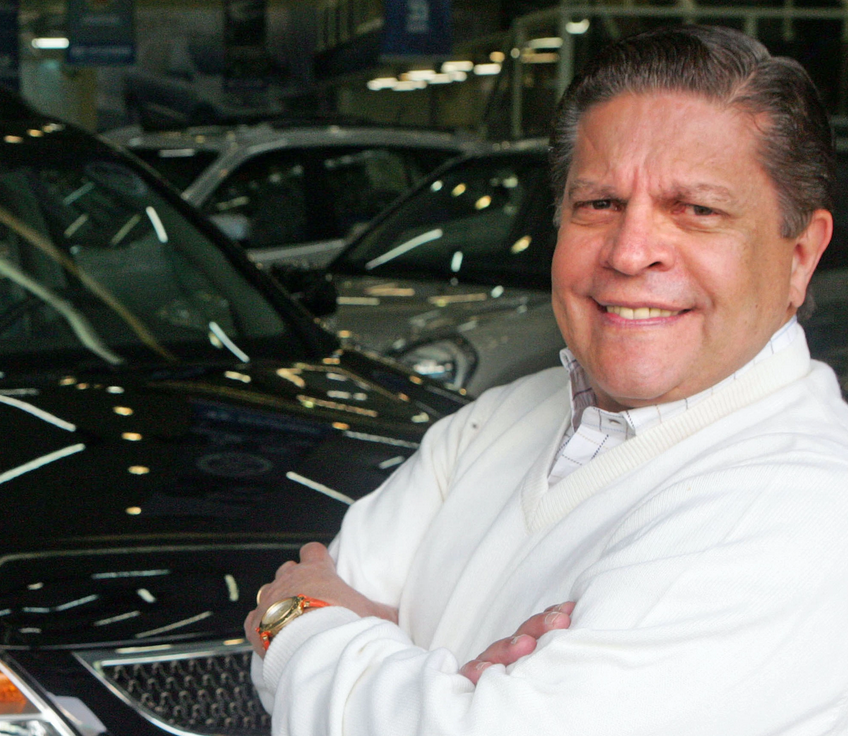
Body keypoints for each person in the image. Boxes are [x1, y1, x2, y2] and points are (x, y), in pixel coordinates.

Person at [245, 24, 848, 735]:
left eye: (698, 210)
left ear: (801, 256)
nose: (631, 252)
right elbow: (276, 639)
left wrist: (304, 629)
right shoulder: (494, 421)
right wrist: (432, 692)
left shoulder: (802, 509)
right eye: (599, 204)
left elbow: (287, 634)